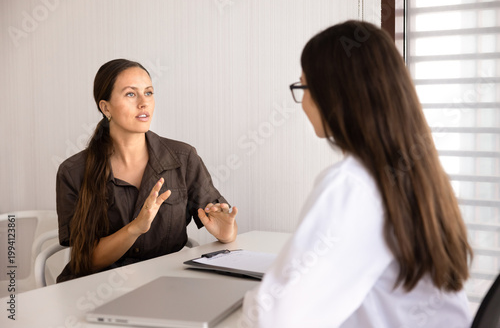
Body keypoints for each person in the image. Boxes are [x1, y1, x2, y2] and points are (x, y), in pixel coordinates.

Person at [241, 20, 473, 327]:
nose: (304, 102)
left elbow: (275, 318)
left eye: (304, 87)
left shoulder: (353, 184)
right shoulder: (417, 173)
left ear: (334, 94)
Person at [56, 59, 238, 282]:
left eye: (149, 93)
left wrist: (226, 231)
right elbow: (85, 261)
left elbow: (222, 222)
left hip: (164, 285)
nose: (144, 103)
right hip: (96, 289)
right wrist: (135, 229)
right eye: (131, 94)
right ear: (106, 107)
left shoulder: (184, 158)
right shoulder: (73, 172)